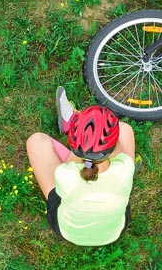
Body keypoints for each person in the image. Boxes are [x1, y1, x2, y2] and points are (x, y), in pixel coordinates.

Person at [25, 87, 136, 246]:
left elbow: (72, 162)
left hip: (68, 231)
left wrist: (83, 145)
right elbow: (118, 143)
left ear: (74, 144)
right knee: (125, 129)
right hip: (114, 231)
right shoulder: (125, 168)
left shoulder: (65, 175)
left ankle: (71, 125)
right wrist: (101, 138)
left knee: (36, 140)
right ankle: (90, 138)